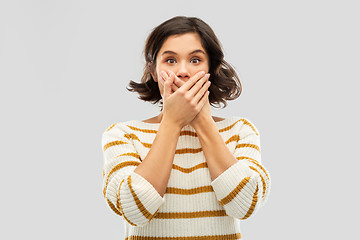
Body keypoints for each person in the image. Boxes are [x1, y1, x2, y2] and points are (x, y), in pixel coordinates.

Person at [101, 16, 271, 239]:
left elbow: (245, 205)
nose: (183, 71)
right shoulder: (123, 135)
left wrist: (201, 120)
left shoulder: (240, 131)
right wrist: (172, 123)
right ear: (153, 71)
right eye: (170, 60)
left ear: (212, 68)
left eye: (195, 60)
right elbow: (135, 208)